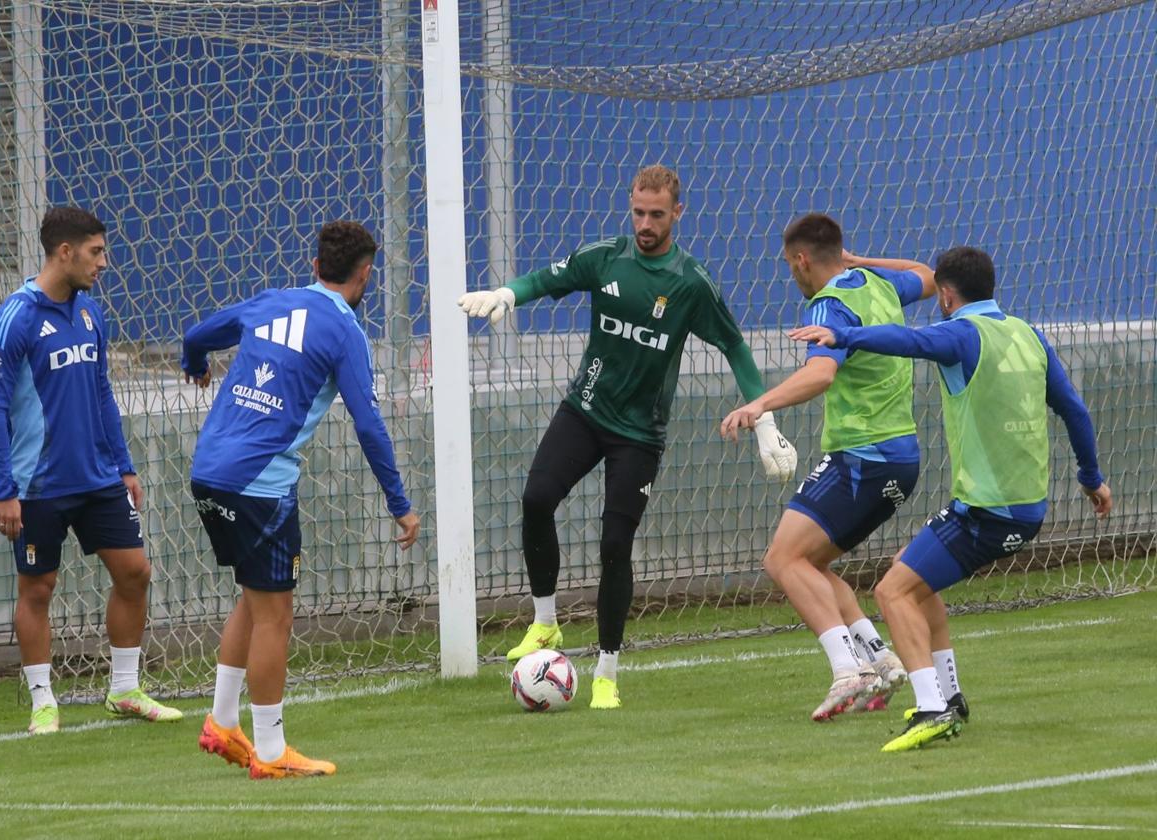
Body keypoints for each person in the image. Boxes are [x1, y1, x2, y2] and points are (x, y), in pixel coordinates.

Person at [458, 165, 798, 710]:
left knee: (615, 546)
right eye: (638, 211)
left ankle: (607, 673)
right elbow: (546, 280)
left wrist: (764, 420)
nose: (645, 223)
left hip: (639, 434)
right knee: (536, 498)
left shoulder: (691, 282)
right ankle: (545, 625)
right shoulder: (606, 258)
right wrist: (506, 293)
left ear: (677, 214)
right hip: (585, 409)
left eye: (656, 214)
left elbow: (734, 346)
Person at [788, 245, 1111, 751]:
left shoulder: (962, 334)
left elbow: (905, 341)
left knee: (893, 592)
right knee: (910, 573)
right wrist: (1092, 479)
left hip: (987, 510)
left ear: (946, 296)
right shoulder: (1027, 334)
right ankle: (952, 696)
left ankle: (932, 707)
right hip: (1025, 507)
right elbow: (1074, 409)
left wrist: (842, 333)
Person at [183, 220, 420, 779]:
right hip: (259, 485)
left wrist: (195, 366)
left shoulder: (272, 300)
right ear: (365, 276)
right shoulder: (345, 332)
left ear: (314, 268)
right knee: (276, 616)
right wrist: (399, 503)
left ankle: (222, 722)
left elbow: (196, 336)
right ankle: (269, 753)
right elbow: (369, 426)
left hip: (208, 469)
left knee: (254, 596)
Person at [721, 213, 936, 721]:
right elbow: (927, 275)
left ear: (800, 260)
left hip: (864, 457)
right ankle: (879, 659)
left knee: (782, 560)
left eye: (788, 266)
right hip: (899, 458)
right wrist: (863, 260)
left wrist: (760, 405)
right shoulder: (877, 283)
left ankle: (848, 671)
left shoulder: (830, 304)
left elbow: (819, 374)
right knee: (809, 564)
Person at [0, 206, 182, 735]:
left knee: (135, 573)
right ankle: (43, 701)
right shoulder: (16, 316)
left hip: (98, 478)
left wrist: (125, 466)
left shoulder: (91, 314)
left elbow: (101, 393)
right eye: (96, 252)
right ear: (63, 252)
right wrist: (5, 490)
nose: (104, 263)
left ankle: (125, 690)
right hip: (38, 484)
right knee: (38, 589)